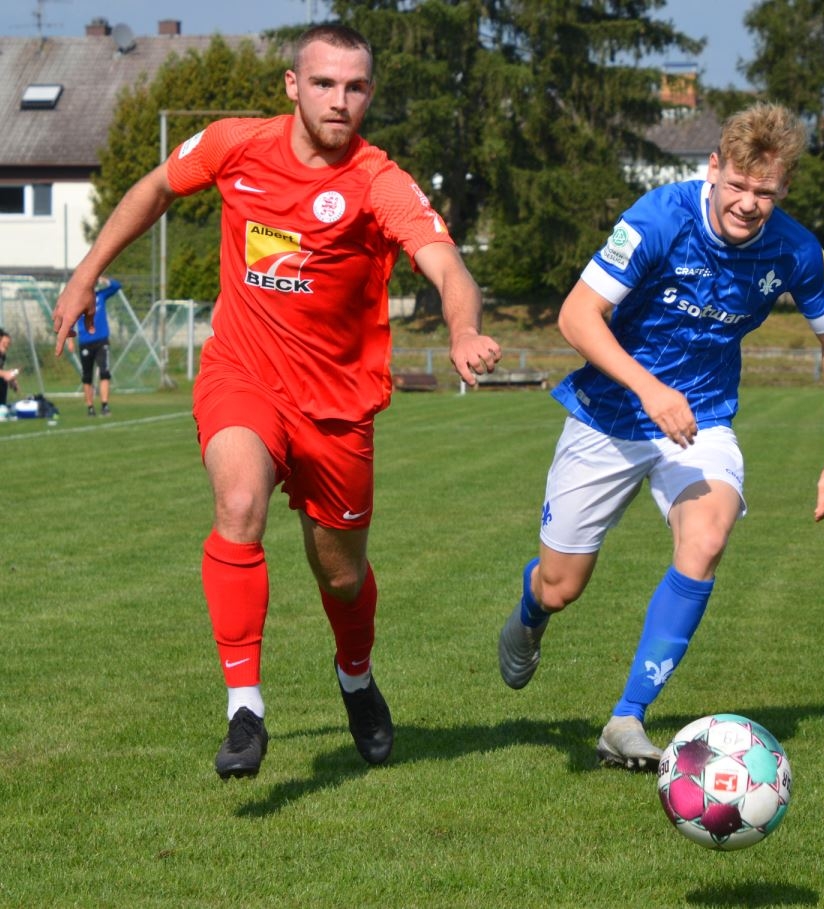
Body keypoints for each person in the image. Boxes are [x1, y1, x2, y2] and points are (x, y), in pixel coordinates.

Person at [53, 23, 501, 780]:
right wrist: (86, 272)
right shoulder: (236, 144)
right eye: (323, 83)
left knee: (341, 577)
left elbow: (447, 264)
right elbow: (156, 187)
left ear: (370, 95)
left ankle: (355, 677)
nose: (339, 100)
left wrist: (461, 328)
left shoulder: (377, 181)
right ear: (293, 85)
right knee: (238, 505)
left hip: (337, 406)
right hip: (244, 374)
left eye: (355, 87)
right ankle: (245, 708)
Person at [498, 102, 824, 770]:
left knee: (707, 537)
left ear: (784, 187)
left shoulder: (795, 249)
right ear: (713, 167)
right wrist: (649, 388)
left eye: (766, 192)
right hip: (609, 415)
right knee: (560, 586)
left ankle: (626, 719)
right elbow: (576, 316)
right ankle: (529, 611)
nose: (748, 204)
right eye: (738, 186)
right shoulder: (660, 217)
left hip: (701, 420)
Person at [68, 276, 120, 416]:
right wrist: (70, 340)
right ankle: (90, 407)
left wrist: (104, 279)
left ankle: (105, 405)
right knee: (87, 376)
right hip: (85, 341)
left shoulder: (100, 296)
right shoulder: (78, 302)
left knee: (104, 372)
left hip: (101, 340)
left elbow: (116, 286)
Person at [0, 328, 21, 409]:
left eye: (8, 344)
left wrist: (11, 379)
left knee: (3, 381)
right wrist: (5, 374)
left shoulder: (2, 356)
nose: (7, 346)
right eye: (4, 343)